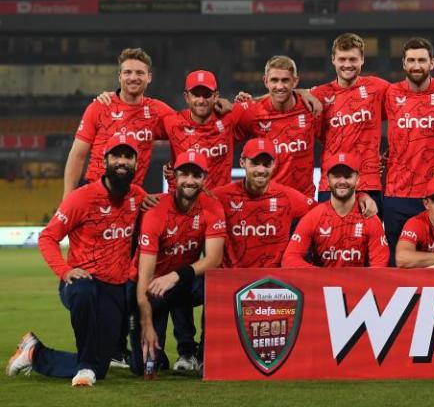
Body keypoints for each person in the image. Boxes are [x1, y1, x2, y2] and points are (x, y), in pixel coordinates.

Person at [8, 134, 147, 386]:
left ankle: (34, 353)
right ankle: (84, 367)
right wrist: (65, 270)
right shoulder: (81, 197)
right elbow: (47, 237)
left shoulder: (138, 196)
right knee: (83, 291)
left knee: (99, 369)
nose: (122, 162)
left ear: (137, 163)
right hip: (83, 282)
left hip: (115, 288)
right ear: (105, 160)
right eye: (117, 155)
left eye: (128, 156)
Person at [129, 151, 225, 375]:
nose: (190, 180)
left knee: (217, 284)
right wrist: (147, 324)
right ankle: (154, 352)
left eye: (196, 175)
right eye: (184, 174)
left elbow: (214, 259)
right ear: (174, 177)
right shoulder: (155, 210)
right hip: (151, 287)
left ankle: (203, 355)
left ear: (205, 178)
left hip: (180, 281)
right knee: (144, 367)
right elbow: (144, 275)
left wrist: (176, 276)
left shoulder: (212, 207)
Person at [381, 38, 434, 258]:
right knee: (399, 263)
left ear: (432, 63)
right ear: (404, 64)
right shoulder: (390, 94)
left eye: (422, 60)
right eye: (412, 60)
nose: (417, 66)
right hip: (398, 193)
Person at [64, 48, 173, 198]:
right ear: (119, 76)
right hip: (95, 195)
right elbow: (77, 156)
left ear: (149, 77)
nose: (133, 77)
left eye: (140, 73)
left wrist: (174, 163)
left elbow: (189, 131)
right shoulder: (99, 107)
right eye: (128, 72)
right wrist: (67, 200)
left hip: (132, 200)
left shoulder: (157, 111)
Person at [309, 33, 390, 208]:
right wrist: (301, 92)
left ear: (362, 59)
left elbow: (411, 101)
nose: (347, 65)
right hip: (331, 183)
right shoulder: (319, 96)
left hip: (368, 183)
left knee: (371, 235)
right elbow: (284, 97)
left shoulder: (377, 88)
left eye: (353, 59)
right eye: (342, 59)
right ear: (333, 59)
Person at [212, 138, 316, 269]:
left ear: (274, 165)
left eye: (266, 164)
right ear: (242, 162)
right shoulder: (221, 196)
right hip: (232, 281)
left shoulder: (287, 196)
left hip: (273, 283)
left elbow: (321, 213)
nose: (261, 170)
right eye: (255, 163)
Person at [234, 56, 323, 198]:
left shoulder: (310, 108)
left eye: (285, 80)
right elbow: (223, 136)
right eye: (274, 80)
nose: (280, 86)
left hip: (304, 202)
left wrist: (303, 92)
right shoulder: (251, 112)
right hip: (267, 202)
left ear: (295, 81)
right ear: (265, 81)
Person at [282, 152, 389, 268]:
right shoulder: (314, 217)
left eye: (348, 176)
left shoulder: (369, 218)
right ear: (327, 180)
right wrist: (318, 276)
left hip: (358, 285)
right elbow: (289, 259)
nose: (342, 181)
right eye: (336, 176)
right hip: (321, 284)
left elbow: (380, 264)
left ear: (357, 180)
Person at [161, 70, 239, 190]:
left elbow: (262, 109)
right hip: (185, 205)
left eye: (206, 94)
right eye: (196, 95)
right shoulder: (172, 122)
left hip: (220, 204)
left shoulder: (229, 118)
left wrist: (240, 103)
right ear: (186, 97)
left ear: (216, 96)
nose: (201, 100)